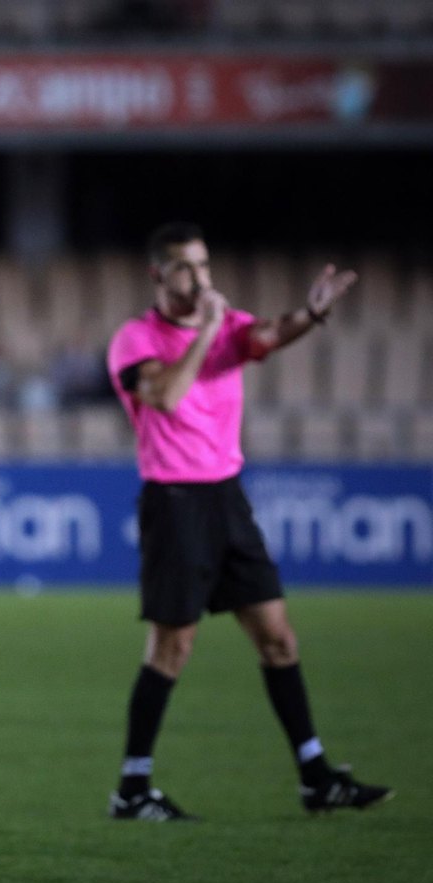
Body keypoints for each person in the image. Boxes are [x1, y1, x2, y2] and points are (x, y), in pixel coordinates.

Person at [104, 222, 391, 820]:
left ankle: (315, 777)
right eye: (186, 267)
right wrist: (207, 332)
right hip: (174, 502)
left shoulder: (229, 327)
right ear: (159, 275)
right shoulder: (136, 338)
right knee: (171, 647)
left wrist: (309, 316)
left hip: (227, 500)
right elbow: (165, 396)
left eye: (205, 265)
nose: (201, 278)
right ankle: (132, 790)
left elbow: (265, 334)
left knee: (278, 638)